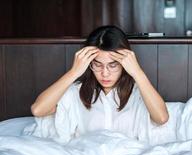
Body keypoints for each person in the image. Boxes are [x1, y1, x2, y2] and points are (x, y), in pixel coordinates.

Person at [29, 25, 169, 143]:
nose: (105, 73)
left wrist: (137, 72)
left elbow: (161, 118)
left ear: (125, 64)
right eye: (97, 65)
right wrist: (73, 72)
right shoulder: (77, 92)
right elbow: (38, 110)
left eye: (113, 65)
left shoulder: (139, 92)